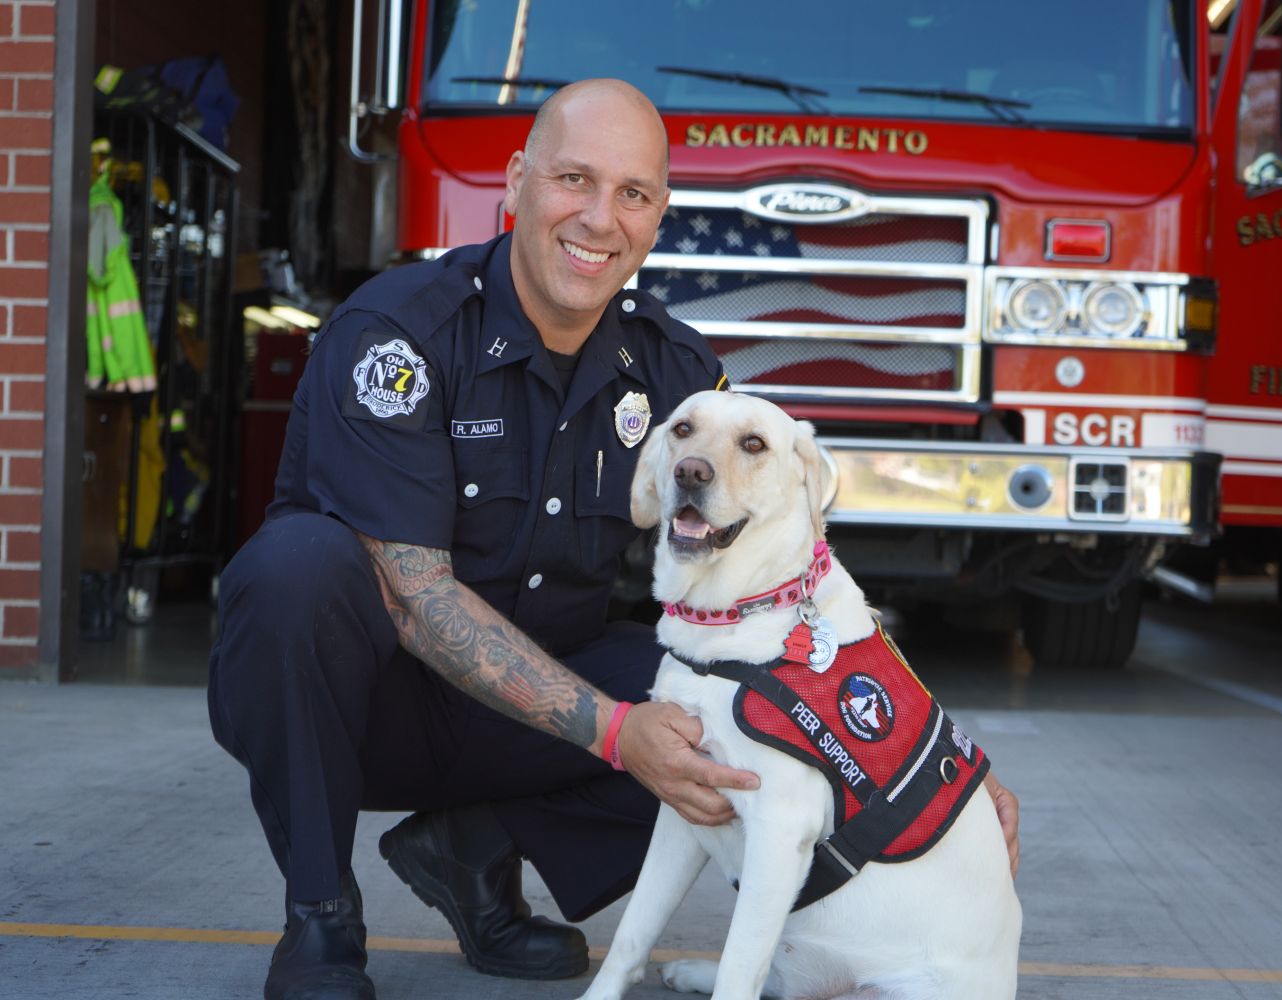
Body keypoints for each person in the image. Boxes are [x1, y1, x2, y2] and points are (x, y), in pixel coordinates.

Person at [207, 79, 1020, 1000]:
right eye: (573, 180)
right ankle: (320, 918)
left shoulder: (675, 374)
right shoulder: (397, 334)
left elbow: (782, 577)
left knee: (738, 709)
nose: (600, 218)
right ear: (515, 183)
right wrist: (617, 732)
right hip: (365, 712)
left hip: (532, 709)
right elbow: (412, 595)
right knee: (295, 572)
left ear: (659, 215)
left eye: (632, 194)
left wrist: (935, 760)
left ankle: (471, 851)